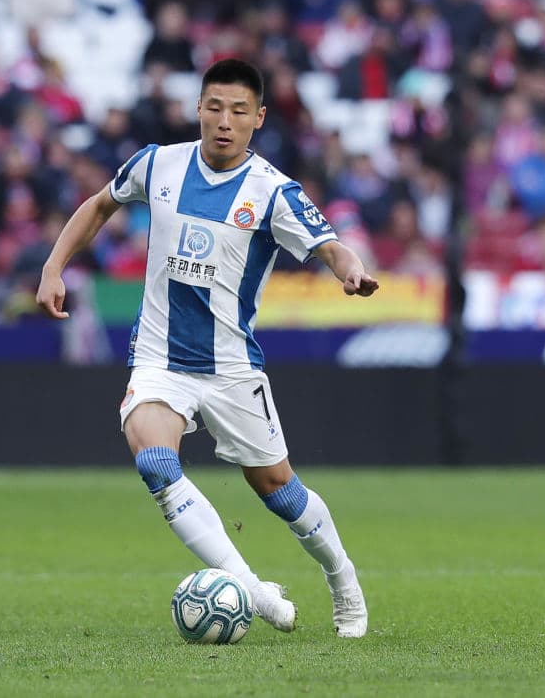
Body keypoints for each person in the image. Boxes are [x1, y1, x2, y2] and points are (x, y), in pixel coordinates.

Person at [36, 58, 378, 638]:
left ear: (258, 119)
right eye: (214, 107)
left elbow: (331, 247)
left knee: (279, 491)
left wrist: (352, 270)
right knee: (154, 460)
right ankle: (250, 588)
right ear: (197, 108)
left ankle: (343, 579)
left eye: (239, 111)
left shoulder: (273, 192)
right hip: (159, 359)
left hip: (231, 368)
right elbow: (98, 206)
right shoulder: (157, 164)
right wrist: (52, 267)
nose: (224, 121)